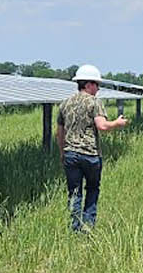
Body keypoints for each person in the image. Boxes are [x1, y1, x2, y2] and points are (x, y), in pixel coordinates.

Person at [56, 64, 130, 232]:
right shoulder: (95, 103)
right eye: (97, 84)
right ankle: (88, 227)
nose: (98, 88)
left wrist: (62, 152)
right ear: (88, 84)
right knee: (92, 190)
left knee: (74, 193)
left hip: (70, 154)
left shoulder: (65, 103)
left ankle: (74, 227)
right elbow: (102, 126)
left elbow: (59, 133)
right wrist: (118, 123)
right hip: (90, 155)